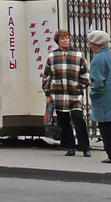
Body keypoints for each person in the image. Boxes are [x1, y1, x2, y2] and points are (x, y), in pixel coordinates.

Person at [42, 29, 91, 157]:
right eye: (62, 38)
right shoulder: (52, 56)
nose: (65, 40)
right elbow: (46, 76)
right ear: (58, 41)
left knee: (78, 118)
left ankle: (85, 147)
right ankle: (70, 147)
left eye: (67, 38)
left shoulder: (78, 55)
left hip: (74, 94)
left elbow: (85, 75)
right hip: (58, 94)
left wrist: (79, 87)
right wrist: (48, 93)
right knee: (64, 121)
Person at [86, 29, 111, 164]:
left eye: (91, 44)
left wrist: (93, 94)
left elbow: (97, 81)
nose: (90, 46)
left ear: (96, 44)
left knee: (106, 128)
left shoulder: (98, 58)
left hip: (104, 100)